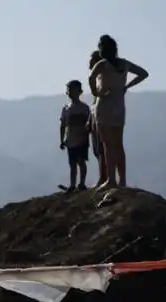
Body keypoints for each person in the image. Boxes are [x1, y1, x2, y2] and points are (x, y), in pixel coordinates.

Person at [89, 34, 149, 190]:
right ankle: (122, 180)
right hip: (119, 105)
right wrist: (127, 86)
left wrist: (97, 93)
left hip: (105, 105)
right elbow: (143, 73)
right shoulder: (125, 64)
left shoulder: (102, 65)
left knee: (108, 144)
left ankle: (111, 180)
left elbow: (91, 77)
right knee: (119, 144)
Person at [59, 80, 92, 192]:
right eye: (68, 91)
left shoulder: (84, 108)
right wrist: (62, 140)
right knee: (72, 163)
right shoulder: (66, 108)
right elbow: (63, 125)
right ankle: (72, 184)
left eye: (72, 90)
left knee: (81, 162)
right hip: (70, 140)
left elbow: (90, 124)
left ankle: (81, 183)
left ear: (79, 92)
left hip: (82, 139)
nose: (70, 93)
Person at [87, 50, 106, 188]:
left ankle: (103, 178)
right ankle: (103, 176)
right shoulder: (99, 78)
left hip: (101, 116)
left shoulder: (102, 79)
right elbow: (94, 102)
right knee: (98, 149)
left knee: (101, 149)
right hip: (95, 115)